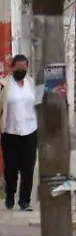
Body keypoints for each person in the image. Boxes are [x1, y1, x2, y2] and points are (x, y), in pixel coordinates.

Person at [2, 55, 38, 211]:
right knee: (11, 168)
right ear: (12, 67)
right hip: (10, 132)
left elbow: (38, 103)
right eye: (18, 67)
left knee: (28, 169)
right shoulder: (4, 85)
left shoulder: (31, 83)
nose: (21, 71)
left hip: (30, 130)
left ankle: (24, 201)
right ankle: (10, 194)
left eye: (24, 68)